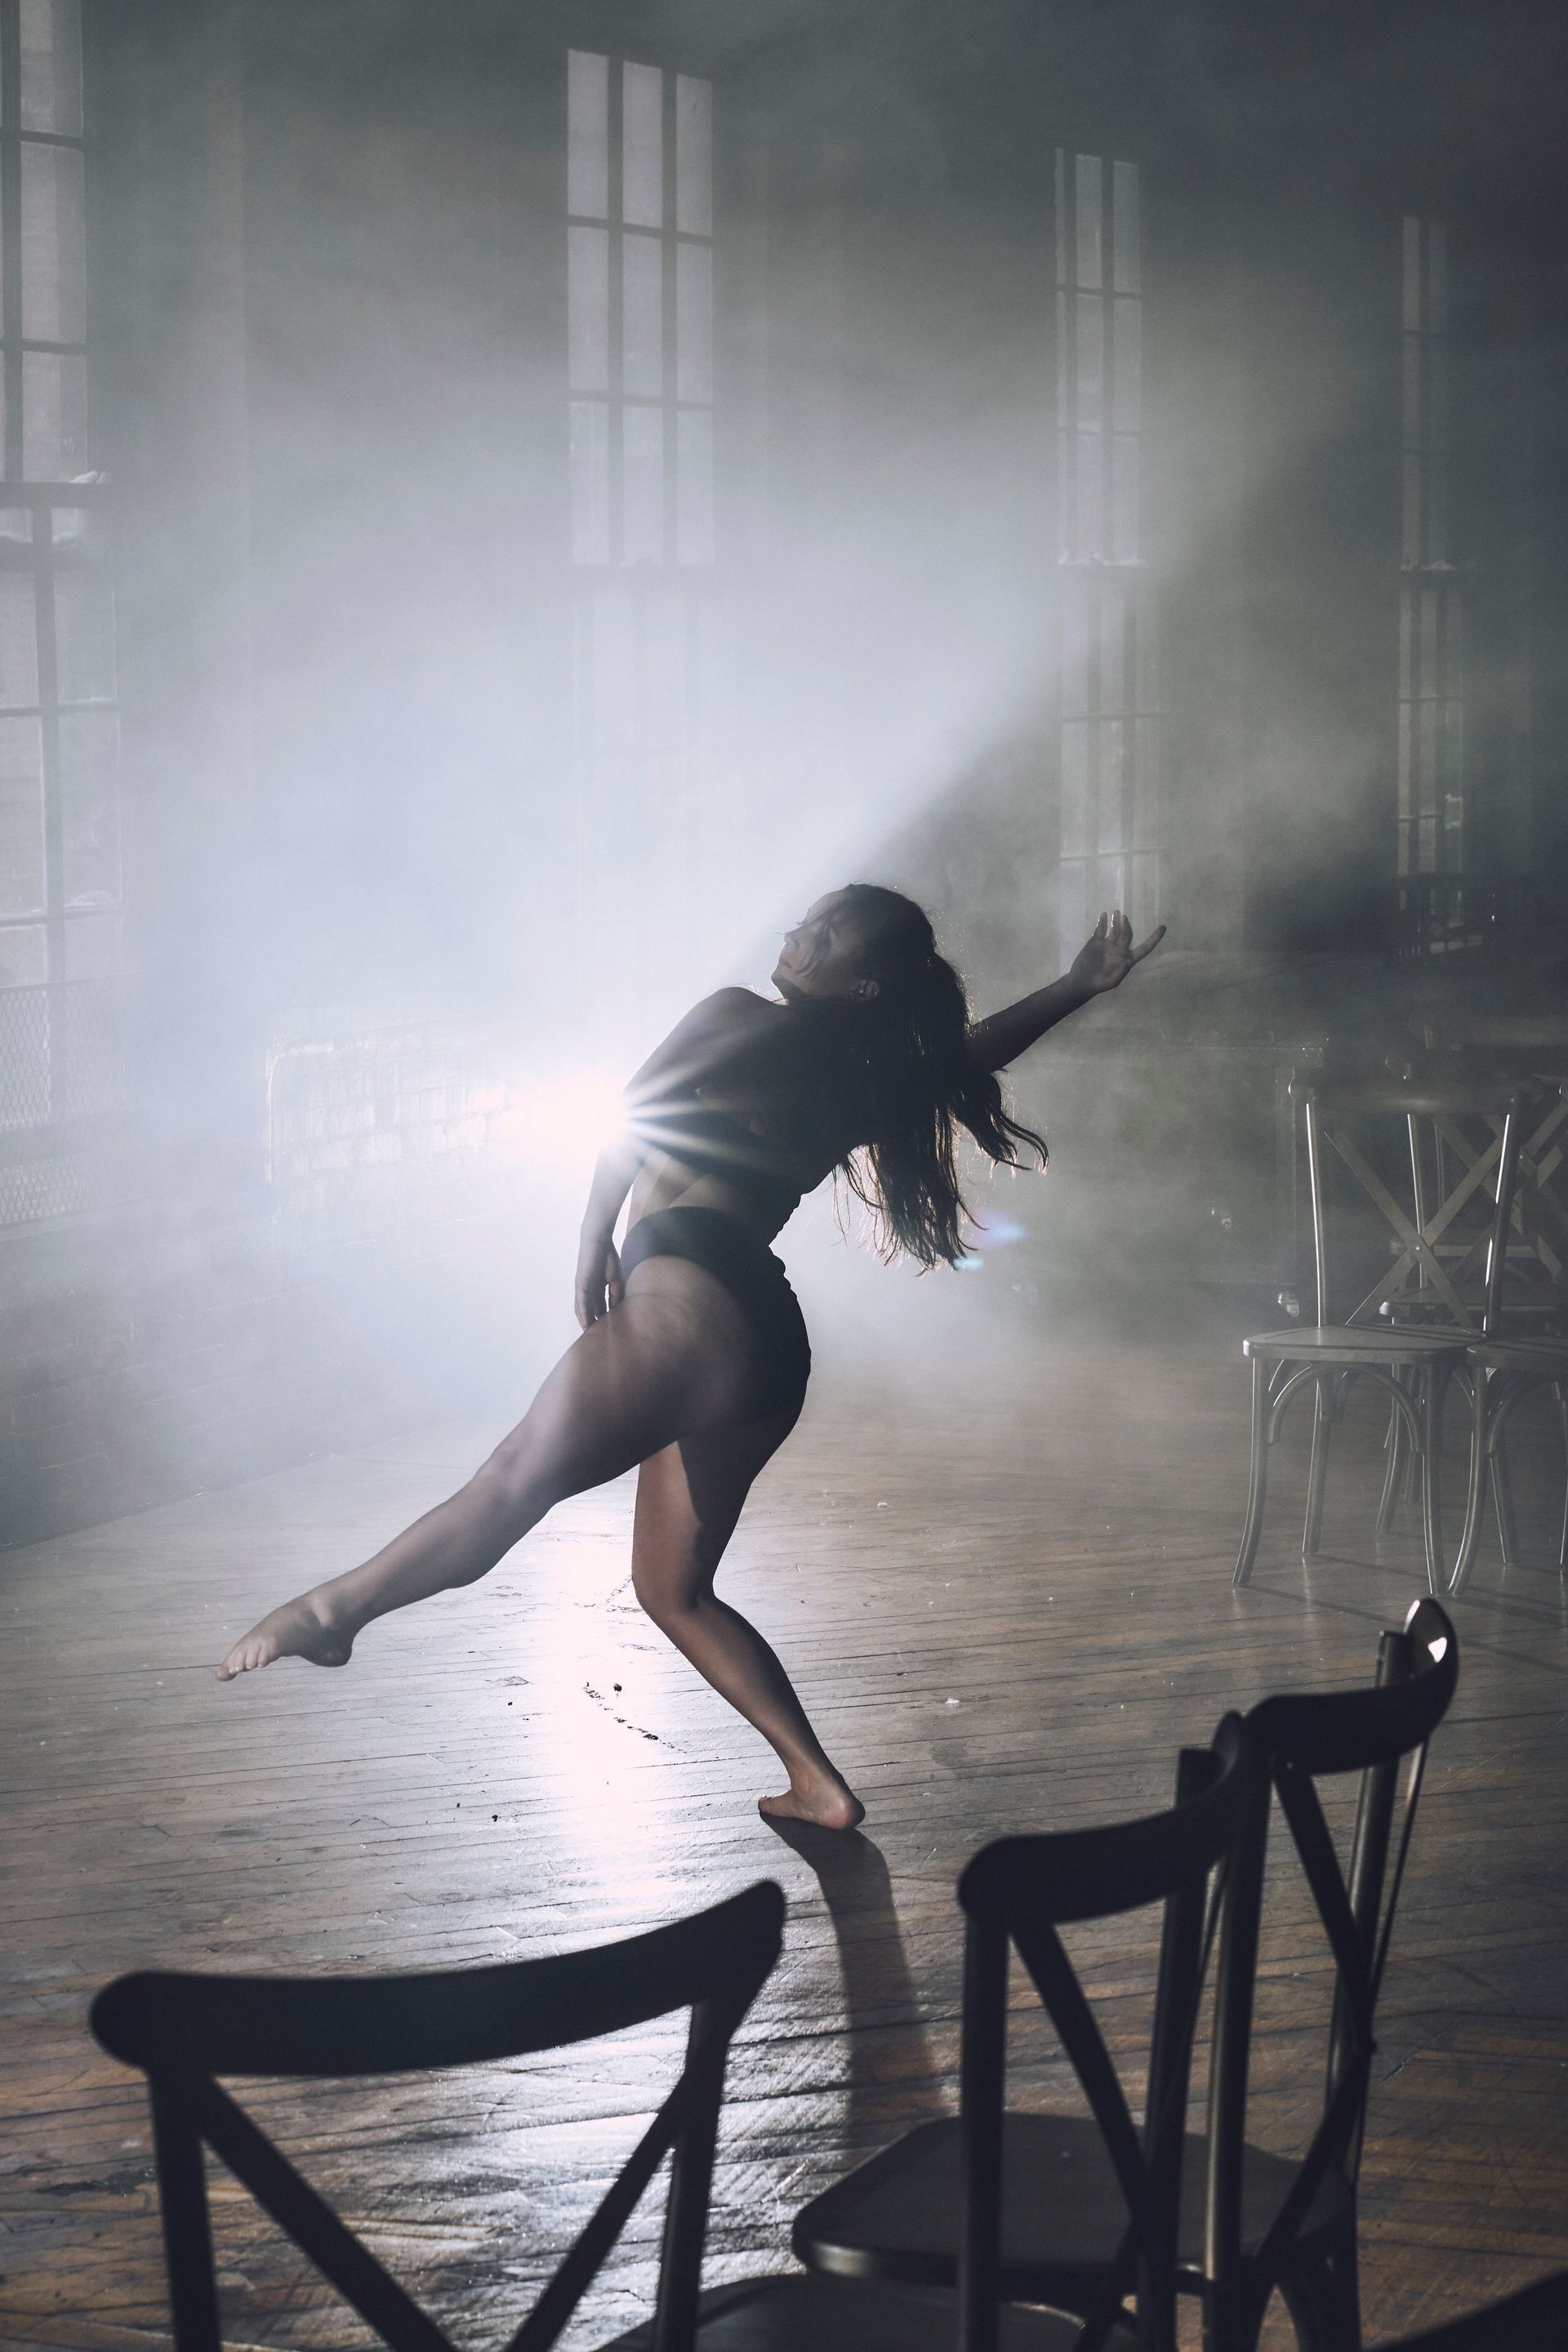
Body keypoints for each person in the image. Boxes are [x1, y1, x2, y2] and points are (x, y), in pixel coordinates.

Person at [218, 889, 1163, 1827]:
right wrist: (1077, 986)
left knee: (510, 1481)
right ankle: (818, 1786)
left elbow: (639, 1106)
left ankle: (334, 1614)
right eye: (811, 916)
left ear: (863, 984)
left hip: (689, 1303)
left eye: (828, 935)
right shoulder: (867, 1075)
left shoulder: (737, 1013)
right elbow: (965, 1058)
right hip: (763, 1344)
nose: (801, 933)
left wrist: (592, 1239)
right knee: (673, 1589)